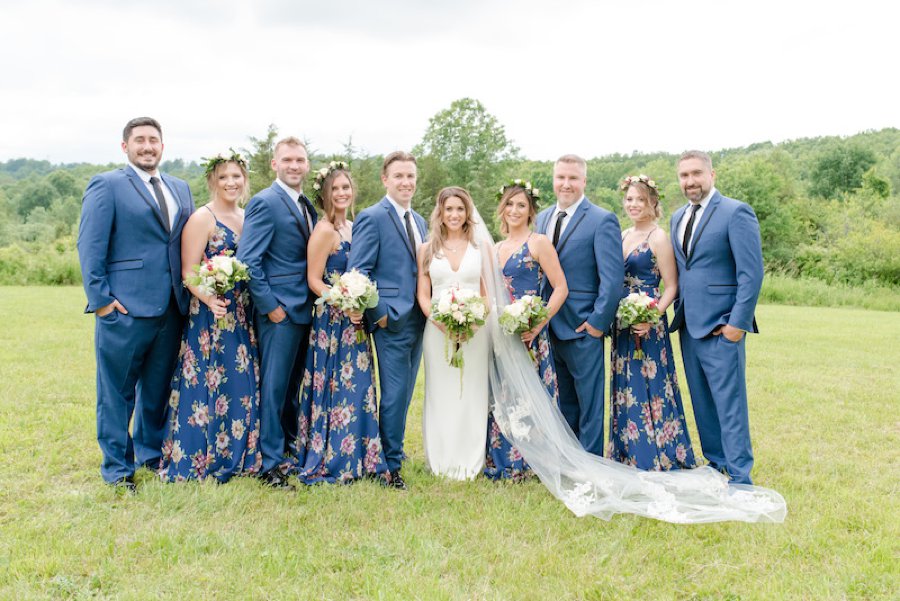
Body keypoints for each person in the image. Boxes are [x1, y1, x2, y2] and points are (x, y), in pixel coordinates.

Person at [77, 117, 194, 492]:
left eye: (154, 140)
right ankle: (117, 467)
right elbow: (90, 245)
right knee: (116, 391)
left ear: (163, 146)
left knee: (157, 390)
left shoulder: (180, 188)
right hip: (124, 308)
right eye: (140, 140)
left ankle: (151, 453)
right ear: (125, 147)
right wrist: (102, 302)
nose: (148, 146)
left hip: (172, 307)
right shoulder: (107, 185)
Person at [157, 151, 262, 482]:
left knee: (242, 382)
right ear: (212, 182)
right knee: (209, 381)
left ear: (244, 179)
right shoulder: (203, 218)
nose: (231, 182)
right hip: (211, 316)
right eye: (223, 177)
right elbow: (188, 272)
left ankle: (240, 453)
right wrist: (210, 299)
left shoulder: (247, 217)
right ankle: (203, 456)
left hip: (243, 312)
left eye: (236, 176)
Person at [669, 150, 764, 485]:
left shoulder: (736, 212)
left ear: (712, 175)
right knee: (702, 401)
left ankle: (740, 475)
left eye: (697, 173)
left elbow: (751, 273)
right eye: (684, 175)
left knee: (730, 403)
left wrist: (736, 325)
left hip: (723, 326)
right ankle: (716, 463)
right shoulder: (677, 217)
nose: (690, 181)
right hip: (689, 326)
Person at [291, 163, 388, 484]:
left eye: (346, 187)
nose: (343, 193)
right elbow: (313, 280)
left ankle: (361, 454)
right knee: (336, 385)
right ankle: (332, 456)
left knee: (359, 386)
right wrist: (344, 302)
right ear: (325, 195)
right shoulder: (324, 231)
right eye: (336, 189)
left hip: (356, 320)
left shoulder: (353, 226)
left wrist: (359, 303)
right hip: (333, 321)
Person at [236, 137, 318, 490]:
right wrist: (271, 309)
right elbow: (249, 261)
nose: (294, 165)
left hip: (305, 310)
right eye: (287, 159)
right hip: (280, 313)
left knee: (290, 389)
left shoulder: (306, 204)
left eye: (300, 159)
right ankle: (269, 464)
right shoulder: (265, 202)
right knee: (273, 388)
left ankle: (287, 449)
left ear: (307, 165)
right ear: (274, 164)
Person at [348, 151, 427, 490]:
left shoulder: (420, 221)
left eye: (410, 176)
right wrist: (378, 315)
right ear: (385, 179)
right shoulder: (372, 217)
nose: (406, 182)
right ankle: (389, 467)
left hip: (419, 318)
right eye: (399, 176)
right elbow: (359, 271)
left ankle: (390, 449)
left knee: (406, 392)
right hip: (390, 319)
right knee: (393, 393)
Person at [535, 155, 624, 456]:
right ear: (554, 179)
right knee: (562, 400)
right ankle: (567, 459)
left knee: (589, 403)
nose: (566, 184)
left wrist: (597, 324)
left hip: (583, 326)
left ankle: (591, 463)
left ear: (584, 181)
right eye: (561, 177)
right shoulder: (541, 219)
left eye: (573, 178)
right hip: (546, 327)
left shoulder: (602, 219)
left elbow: (612, 280)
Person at [607, 175, 697, 471]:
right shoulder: (621, 235)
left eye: (640, 200)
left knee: (649, 384)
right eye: (630, 199)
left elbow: (671, 286)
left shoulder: (658, 237)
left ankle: (654, 452)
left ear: (652, 203)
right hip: (623, 323)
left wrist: (651, 316)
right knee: (625, 385)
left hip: (648, 321)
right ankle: (626, 452)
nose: (633, 204)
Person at [484, 181, 567, 480]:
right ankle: (504, 456)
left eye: (521, 205)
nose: (514, 210)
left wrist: (539, 322)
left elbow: (560, 288)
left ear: (531, 210)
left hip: (531, 332)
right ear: (502, 209)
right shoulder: (493, 249)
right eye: (510, 204)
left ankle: (535, 461)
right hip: (502, 334)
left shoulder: (539, 242)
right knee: (504, 395)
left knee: (533, 396)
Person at [416, 187, 490, 480]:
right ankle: (442, 458)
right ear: (440, 213)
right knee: (441, 392)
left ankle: (471, 458)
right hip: (437, 331)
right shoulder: (427, 249)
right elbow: (423, 295)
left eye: (460, 209)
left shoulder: (481, 247)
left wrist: (474, 323)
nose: (455, 215)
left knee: (473, 392)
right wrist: (441, 322)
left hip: (476, 332)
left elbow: (487, 295)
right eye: (449, 209)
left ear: (467, 212)